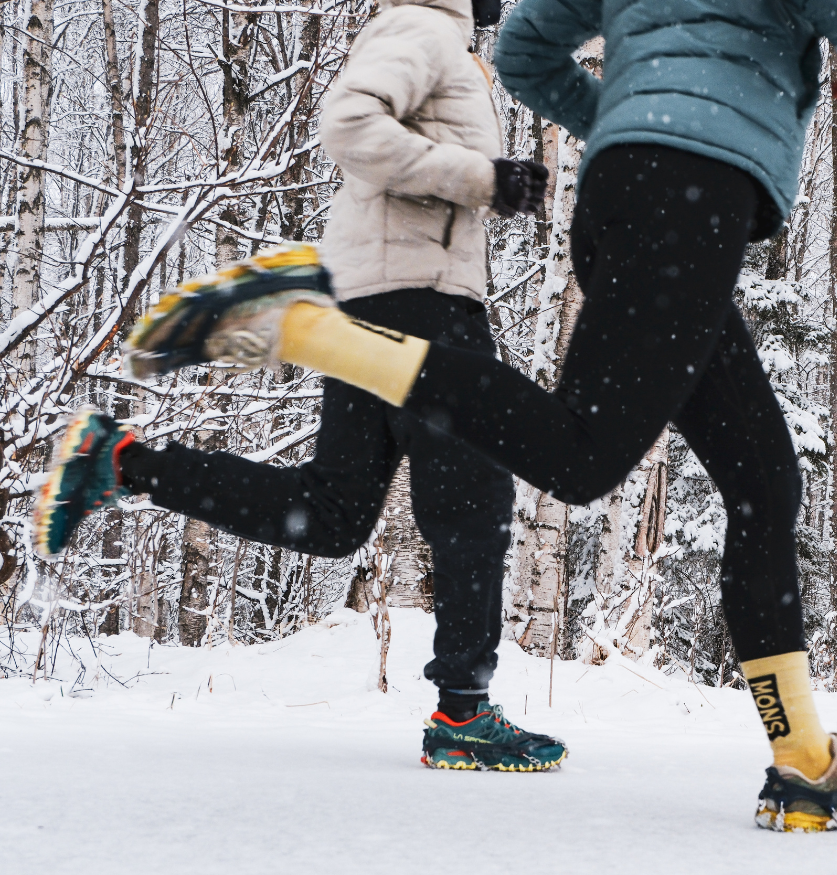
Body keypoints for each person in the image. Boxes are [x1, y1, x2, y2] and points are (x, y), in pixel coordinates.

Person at [50, 0, 837, 832]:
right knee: (567, 464)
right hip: (657, 207)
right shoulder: (418, 31)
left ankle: (802, 758)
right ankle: (312, 336)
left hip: (639, 195)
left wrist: (621, 117)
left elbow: (528, 50)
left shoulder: (460, 44)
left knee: (761, 477)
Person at [33, 0, 566, 773]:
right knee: (473, 502)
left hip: (376, 299)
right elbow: (349, 124)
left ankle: (122, 462)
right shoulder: (421, 28)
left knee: (333, 511)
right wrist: (481, 176)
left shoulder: (439, 40)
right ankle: (463, 711)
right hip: (422, 306)